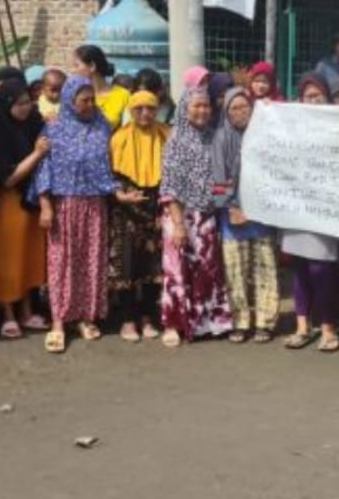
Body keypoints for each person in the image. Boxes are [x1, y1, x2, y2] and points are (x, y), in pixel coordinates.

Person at [34, 75, 114, 352]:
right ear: (70, 100)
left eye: (92, 99)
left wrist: (116, 191)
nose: (89, 105)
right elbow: (42, 169)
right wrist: (45, 205)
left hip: (94, 204)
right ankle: (58, 321)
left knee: (90, 262)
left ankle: (84, 316)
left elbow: (108, 165)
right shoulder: (53, 129)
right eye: (84, 100)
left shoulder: (102, 126)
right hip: (64, 205)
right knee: (62, 263)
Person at [0, 76, 50, 339]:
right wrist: (36, 154)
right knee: (7, 257)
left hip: (32, 200)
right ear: (7, 104)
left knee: (29, 257)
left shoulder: (34, 123)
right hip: (10, 202)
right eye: (19, 104)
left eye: (27, 103)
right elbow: (8, 177)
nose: (25, 108)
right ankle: (8, 313)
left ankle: (27, 310)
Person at [158, 87, 231, 346]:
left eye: (206, 106)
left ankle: (204, 323)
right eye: (196, 106)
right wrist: (178, 226)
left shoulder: (213, 137)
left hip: (206, 216)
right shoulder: (176, 140)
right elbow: (170, 187)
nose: (202, 111)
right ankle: (173, 324)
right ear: (185, 109)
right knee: (177, 271)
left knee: (206, 271)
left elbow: (221, 179)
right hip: (181, 216)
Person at [213, 88, 279, 343]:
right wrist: (232, 206)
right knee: (235, 272)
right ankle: (239, 321)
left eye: (245, 107)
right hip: (234, 215)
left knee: (265, 268)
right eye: (234, 109)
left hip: (261, 214)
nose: (240, 113)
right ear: (226, 113)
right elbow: (218, 177)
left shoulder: (264, 136)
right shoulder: (221, 138)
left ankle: (265, 321)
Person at [283, 75, 339, 353]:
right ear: (300, 100)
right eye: (309, 96)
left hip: (325, 209)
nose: (314, 100)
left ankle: (329, 326)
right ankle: (303, 326)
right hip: (296, 208)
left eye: (319, 95)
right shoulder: (289, 126)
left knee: (322, 267)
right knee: (300, 268)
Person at [108, 89, 169, 342]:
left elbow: (173, 173)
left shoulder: (166, 135)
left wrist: (162, 206)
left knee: (154, 268)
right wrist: (120, 195)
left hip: (157, 210)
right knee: (128, 268)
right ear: (130, 111)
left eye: (150, 108)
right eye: (139, 109)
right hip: (125, 214)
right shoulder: (118, 139)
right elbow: (109, 176)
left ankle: (148, 318)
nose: (145, 114)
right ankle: (127, 319)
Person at [69, 44, 130, 129]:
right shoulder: (72, 95)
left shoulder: (123, 95)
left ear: (92, 66)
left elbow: (128, 130)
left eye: (76, 66)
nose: (72, 71)